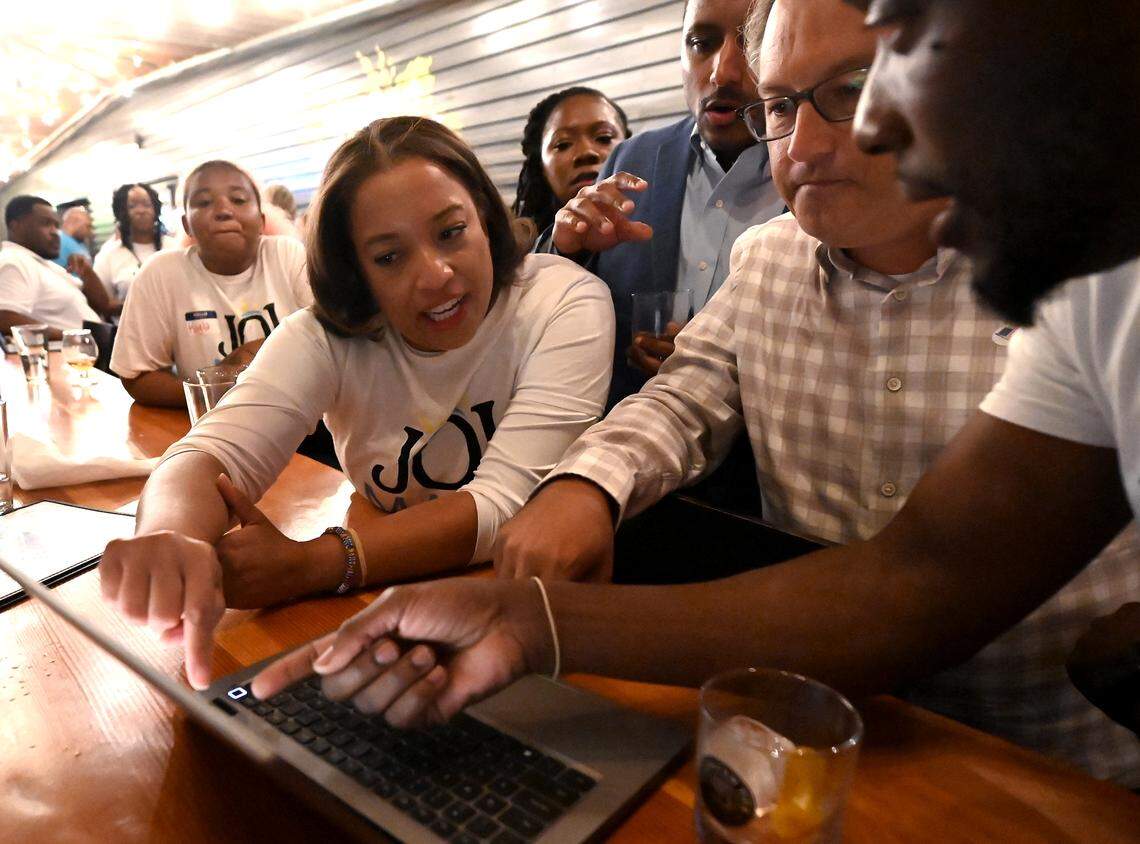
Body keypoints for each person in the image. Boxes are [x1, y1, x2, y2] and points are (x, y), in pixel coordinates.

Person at [249, 0, 1140, 775]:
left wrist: (528, 618)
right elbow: (681, 401)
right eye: (781, 106)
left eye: (855, 87)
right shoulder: (769, 262)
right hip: (809, 723)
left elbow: (915, 585)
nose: (815, 144)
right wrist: (581, 489)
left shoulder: (1091, 271)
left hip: (1054, 759)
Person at [99, 116, 615, 693]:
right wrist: (173, 538)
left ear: (484, 216)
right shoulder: (322, 337)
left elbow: (506, 506)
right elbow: (209, 451)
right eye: (389, 257)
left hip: (530, 622)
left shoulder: (562, 300)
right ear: (356, 271)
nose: (437, 275)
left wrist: (314, 564)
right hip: (384, 610)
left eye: (451, 232)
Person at [550, 0, 786, 405]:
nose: (722, 71)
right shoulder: (632, 159)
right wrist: (568, 249)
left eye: (752, 44)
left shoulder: (813, 166)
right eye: (701, 43)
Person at [109, 160, 312, 407]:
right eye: (204, 202)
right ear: (186, 225)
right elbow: (136, 376)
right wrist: (214, 391)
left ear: (261, 220)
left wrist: (268, 348)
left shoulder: (287, 255)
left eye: (238, 199)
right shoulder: (161, 272)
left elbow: (333, 338)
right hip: (214, 427)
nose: (224, 210)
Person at [512, 87, 630, 246]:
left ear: (630, 147)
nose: (586, 153)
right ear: (541, 166)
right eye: (563, 144)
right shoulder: (516, 257)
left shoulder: (668, 216)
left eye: (604, 138)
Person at [0, 195, 112, 338]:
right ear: (15, 226)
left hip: (97, 351)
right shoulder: (14, 261)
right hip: (75, 357)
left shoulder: (43, 264)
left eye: (56, 225)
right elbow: (5, 318)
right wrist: (74, 339)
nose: (55, 232)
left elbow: (103, 304)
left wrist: (87, 272)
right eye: (46, 224)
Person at [93, 182, 176, 301]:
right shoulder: (108, 255)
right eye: (132, 206)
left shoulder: (174, 247)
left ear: (156, 209)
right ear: (121, 212)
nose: (141, 211)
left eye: (147, 205)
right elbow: (104, 304)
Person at [53, 206, 93, 270]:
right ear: (73, 222)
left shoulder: (78, 241)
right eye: (87, 226)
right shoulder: (58, 242)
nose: (90, 232)